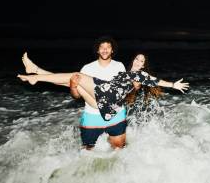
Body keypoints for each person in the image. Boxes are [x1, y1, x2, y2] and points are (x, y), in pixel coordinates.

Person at [17, 52, 189, 131]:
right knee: (70, 82)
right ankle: (37, 71)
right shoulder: (125, 73)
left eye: (141, 60)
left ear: (144, 65)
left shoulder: (141, 75)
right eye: (136, 58)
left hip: (107, 96)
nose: (138, 61)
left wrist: (173, 85)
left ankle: (35, 76)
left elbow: (155, 81)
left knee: (77, 75)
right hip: (105, 103)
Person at [21, 36, 128, 150]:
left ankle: (36, 73)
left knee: (119, 149)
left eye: (108, 47)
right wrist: (73, 86)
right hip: (93, 112)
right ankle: (36, 73)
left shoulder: (119, 66)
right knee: (87, 152)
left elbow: (120, 90)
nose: (105, 50)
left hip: (114, 112)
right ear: (97, 50)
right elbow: (76, 95)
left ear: (112, 50)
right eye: (102, 47)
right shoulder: (87, 68)